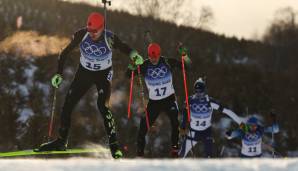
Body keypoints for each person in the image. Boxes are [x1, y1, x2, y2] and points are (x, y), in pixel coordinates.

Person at [36, 12, 144, 159]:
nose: (91, 33)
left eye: (95, 31)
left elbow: (124, 47)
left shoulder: (109, 38)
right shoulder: (82, 35)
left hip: (103, 74)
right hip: (84, 73)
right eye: (89, 30)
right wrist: (59, 74)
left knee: (102, 106)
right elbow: (64, 53)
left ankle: (114, 146)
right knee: (68, 103)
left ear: (102, 28)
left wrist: (134, 55)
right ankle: (61, 141)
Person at [127, 42, 191, 157]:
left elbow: (187, 66)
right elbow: (128, 74)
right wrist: (131, 65)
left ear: (159, 54)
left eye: (155, 57)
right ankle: (139, 154)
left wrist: (184, 55)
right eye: (151, 57)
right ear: (148, 56)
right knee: (143, 127)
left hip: (169, 99)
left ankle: (175, 149)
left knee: (175, 122)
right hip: (154, 102)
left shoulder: (167, 62)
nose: (153, 60)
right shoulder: (145, 65)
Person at [179, 78, 243, 158]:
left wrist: (241, 123)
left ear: (204, 91)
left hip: (206, 132)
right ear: (195, 91)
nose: (199, 95)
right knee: (181, 155)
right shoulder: (190, 101)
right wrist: (183, 127)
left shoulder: (210, 102)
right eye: (197, 92)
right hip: (193, 133)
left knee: (209, 157)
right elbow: (184, 116)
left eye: (201, 92)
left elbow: (227, 111)